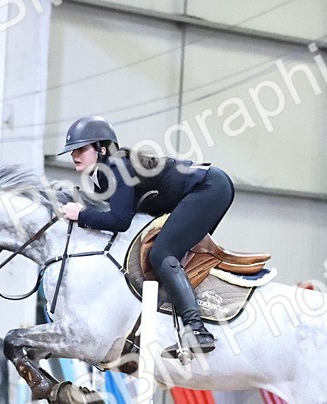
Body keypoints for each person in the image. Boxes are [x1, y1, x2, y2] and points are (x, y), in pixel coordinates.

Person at [59, 116, 232, 354]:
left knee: (162, 253)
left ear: (101, 148)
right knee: (166, 254)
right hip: (206, 187)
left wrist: (81, 216)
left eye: (81, 149)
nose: (74, 155)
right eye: (72, 151)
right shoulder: (103, 175)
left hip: (209, 187)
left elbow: (120, 221)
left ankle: (197, 330)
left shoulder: (116, 168)